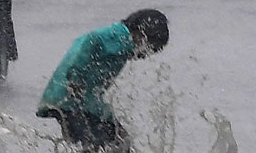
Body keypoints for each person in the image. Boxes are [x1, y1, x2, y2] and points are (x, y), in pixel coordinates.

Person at [36, 9, 169, 152]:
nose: (145, 56)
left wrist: (111, 119)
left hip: (83, 103)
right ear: (141, 35)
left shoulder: (122, 43)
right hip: (69, 100)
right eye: (150, 48)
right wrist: (76, 78)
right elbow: (89, 41)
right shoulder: (118, 36)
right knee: (95, 144)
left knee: (121, 141)